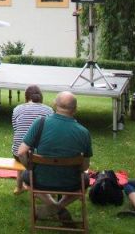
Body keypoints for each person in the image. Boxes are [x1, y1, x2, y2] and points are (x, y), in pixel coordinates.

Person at [15, 91, 92, 219]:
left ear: (54, 104)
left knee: (27, 177)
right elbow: (84, 167)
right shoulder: (84, 132)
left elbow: (21, 152)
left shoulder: (40, 123)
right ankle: (59, 207)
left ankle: (53, 207)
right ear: (75, 109)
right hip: (71, 182)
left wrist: (29, 167)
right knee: (85, 183)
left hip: (40, 180)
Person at [11, 85, 53, 195]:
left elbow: (16, 130)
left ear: (26, 96)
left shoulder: (17, 109)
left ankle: (19, 187)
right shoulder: (49, 110)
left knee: (20, 147)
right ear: (40, 96)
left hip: (19, 154)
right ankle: (46, 187)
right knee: (28, 149)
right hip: (41, 155)